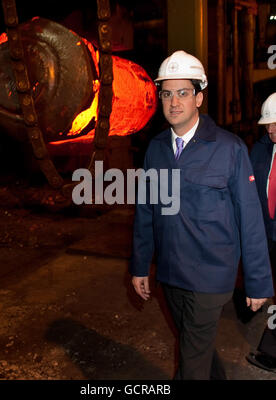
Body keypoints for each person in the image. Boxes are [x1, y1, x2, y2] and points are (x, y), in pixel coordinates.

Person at [130, 50, 274, 380]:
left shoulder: (229, 148)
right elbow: (146, 212)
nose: (174, 102)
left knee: (190, 364)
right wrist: (140, 265)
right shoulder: (156, 149)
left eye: (183, 92)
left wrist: (257, 281)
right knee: (196, 347)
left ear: (199, 97)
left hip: (211, 276)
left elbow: (250, 218)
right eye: (167, 93)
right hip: (170, 274)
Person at [246, 92, 276, 372]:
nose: (270, 130)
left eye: (275, 124)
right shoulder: (261, 149)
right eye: (268, 124)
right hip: (268, 234)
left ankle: (271, 352)